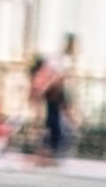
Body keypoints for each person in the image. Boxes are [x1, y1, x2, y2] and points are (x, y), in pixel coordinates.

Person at [29, 34, 75, 163]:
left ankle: (50, 147)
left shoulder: (60, 57)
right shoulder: (64, 59)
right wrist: (46, 87)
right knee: (53, 119)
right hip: (55, 92)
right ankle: (51, 148)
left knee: (53, 118)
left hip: (53, 92)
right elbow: (59, 77)